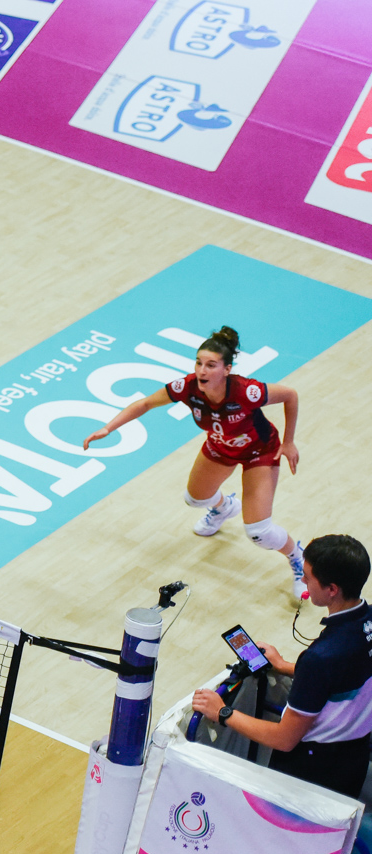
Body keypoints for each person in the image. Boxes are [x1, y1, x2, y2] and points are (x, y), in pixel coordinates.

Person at [84, 326, 305, 598]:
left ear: (227, 369)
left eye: (211, 365)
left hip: (259, 452)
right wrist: (109, 428)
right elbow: (145, 404)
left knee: (258, 532)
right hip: (220, 448)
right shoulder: (187, 387)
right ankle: (224, 508)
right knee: (195, 499)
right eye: (199, 363)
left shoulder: (247, 391)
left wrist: (289, 441)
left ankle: (299, 559)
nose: (202, 370)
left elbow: (291, 395)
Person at [193, 535, 371, 797]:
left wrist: (222, 712)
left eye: (308, 577)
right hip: (355, 756)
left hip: (312, 776)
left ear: (332, 589)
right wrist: (284, 665)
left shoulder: (321, 658)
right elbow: (345, 673)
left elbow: (284, 739)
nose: (303, 581)